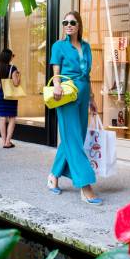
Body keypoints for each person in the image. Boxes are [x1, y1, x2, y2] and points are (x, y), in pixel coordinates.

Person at [48, 11, 102, 205]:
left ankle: (53, 175)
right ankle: (84, 184)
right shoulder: (59, 46)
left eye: (72, 22)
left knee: (75, 137)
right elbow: (56, 70)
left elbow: (87, 75)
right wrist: (56, 85)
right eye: (65, 22)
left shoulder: (86, 47)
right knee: (72, 139)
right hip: (66, 94)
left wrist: (92, 98)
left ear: (79, 25)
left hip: (84, 93)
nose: (68, 25)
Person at [0, 48, 20, 149]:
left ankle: (3, 141)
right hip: (10, 95)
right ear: (9, 58)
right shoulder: (13, 68)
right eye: (12, 56)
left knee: (2, 118)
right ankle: (8, 142)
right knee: (12, 118)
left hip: (1, 95)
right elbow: (16, 83)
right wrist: (19, 76)